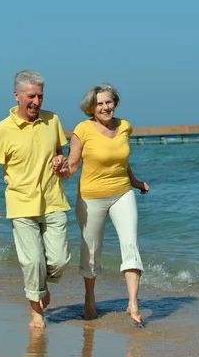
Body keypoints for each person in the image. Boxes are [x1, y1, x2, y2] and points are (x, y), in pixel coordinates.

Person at [0, 70, 70, 329]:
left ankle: (40, 286)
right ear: (17, 95)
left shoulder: (52, 120)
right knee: (32, 261)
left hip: (53, 200)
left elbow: (58, 154)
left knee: (59, 261)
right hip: (21, 205)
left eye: (41, 96)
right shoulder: (3, 130)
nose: (37, 102)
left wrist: (60, 161)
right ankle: (36, 314)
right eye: (31, 96)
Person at [54, 83, 148, 324]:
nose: (106, 107)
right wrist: (60, 171)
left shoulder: (125, 126)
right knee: (91, 252)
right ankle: (89, 297)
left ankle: (133, 303)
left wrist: (135, 182)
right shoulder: (82, 130)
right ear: (91, 108)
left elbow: (120, 161)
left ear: (115, 102)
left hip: (122, 193)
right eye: (100, 103)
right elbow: (72, 167)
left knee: (131, 244)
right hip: (91, 197)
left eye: (109, 101)